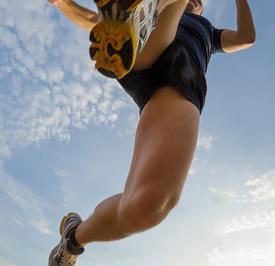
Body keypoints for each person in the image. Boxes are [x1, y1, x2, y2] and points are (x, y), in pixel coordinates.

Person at [48, 0, 256, 265]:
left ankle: (73, 238)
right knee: (149, 15)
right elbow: (94, 23)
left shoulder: (210, 33)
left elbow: (246, 37)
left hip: (174, 83)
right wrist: (63, 4)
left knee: (146, 207)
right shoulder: (157, 9)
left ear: (201, 10)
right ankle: (138, 23)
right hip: (148, 45)